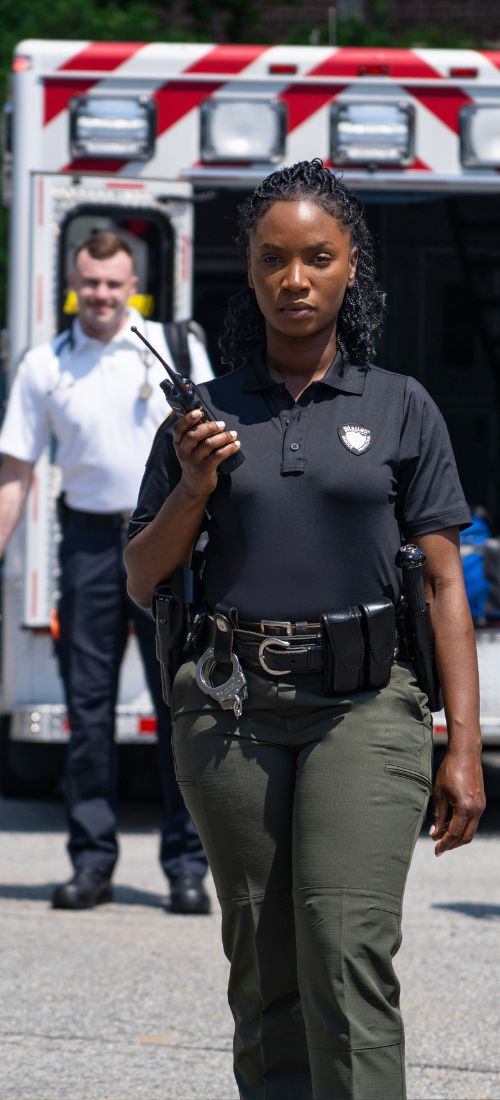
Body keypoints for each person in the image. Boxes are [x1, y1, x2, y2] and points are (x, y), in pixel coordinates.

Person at [124, 161, 485, 1100]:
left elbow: (446, 583)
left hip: (365, 709)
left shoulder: (401, 404)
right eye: (273, 259)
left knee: (344, 946)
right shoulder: (204, 413)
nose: (295, 279)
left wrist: (463, 748)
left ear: (350, 269)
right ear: (248, 274)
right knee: (265, 963)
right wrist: (195, 486)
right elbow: (141, 575)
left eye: (317, 258)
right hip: (232, 714)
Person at [0, 231, 212, 915]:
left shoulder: (171, 351)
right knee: (87, 715)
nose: (101, 295)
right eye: (90, 282)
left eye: (114, 283)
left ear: (134, 286)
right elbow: (16, 471)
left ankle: (186, 867)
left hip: (166, 537)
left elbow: (216, 446)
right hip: (88, 545)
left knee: (176, 706)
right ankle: (91, 863)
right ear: (73, 281)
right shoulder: (46, 364)